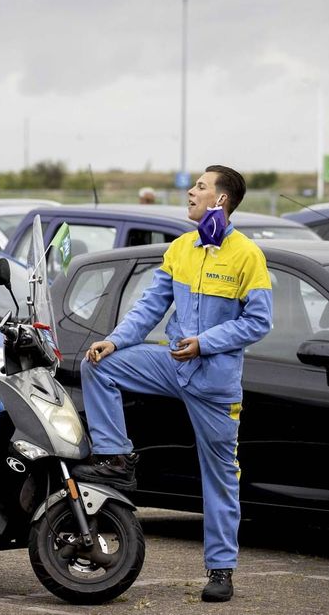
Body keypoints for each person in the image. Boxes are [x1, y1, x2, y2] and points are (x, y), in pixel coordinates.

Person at [72, 165, 272, 603]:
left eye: (200, 187)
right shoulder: (182, 248)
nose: (191, 193)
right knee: (99, 365)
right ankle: (115, 456)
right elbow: (149, 307)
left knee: (220, 479)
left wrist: (205, 343)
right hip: (171, 364)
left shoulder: (247, 255)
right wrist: (114, 340)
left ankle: (221, 569)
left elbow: (259, 322)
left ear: (221, 200)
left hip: (214, 383)